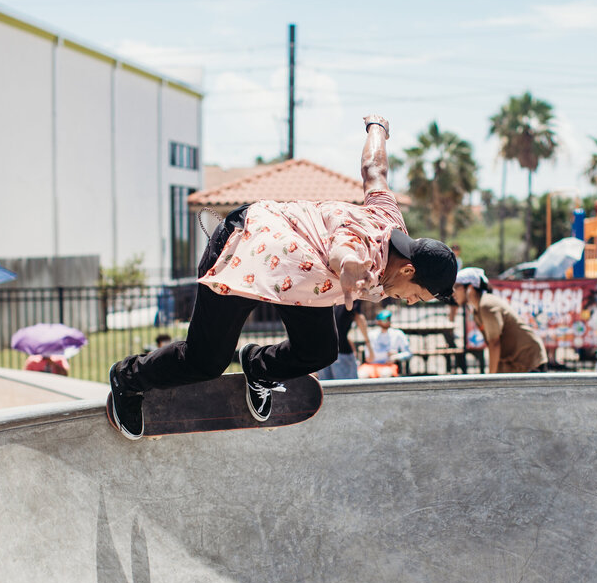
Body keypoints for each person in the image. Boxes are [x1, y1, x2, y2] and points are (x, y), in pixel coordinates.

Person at [107, 114, 457, 438]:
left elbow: (374, 169)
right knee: (206, 361)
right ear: (409, 270)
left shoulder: (389, 216)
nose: (409, 300)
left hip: (297, 271)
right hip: (244, 249)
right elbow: (343, 249)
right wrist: (348, 266)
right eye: (416, 295)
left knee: (319, 349)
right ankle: (129, 378)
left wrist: (377, 128)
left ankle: (259, 367)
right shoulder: (362, 251)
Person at [451, 267, 547, 373]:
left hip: (529, 360)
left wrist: (491, 378)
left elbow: (494, 343)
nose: (453, 292)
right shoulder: (477, 311)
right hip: (514, 363)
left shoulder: (487, 305)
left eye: (456, 286)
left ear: (470, 288)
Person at [317, 299, 369, 380]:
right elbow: (359, 318)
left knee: (327, 389)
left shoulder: (330, 295)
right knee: (348, 389)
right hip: (340, 352)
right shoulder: (352, 295)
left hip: (322, 353)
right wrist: (369, 344)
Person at [360, 309, 412, 377]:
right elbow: (368, 358)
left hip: (388, 365)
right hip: (371, 365)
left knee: (385, 373)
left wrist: (395, 357)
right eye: (385, 320)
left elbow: (408, 353)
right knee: (362, 374)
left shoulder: (397, 334)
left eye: (389, 319)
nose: (388, 321)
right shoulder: (371, 335)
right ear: (378, 321)